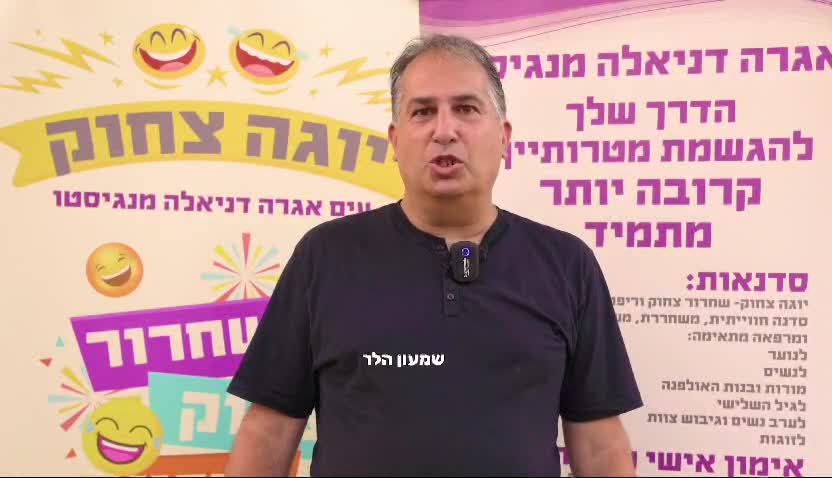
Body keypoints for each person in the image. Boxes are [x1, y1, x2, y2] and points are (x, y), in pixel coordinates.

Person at [224, 34, 643, 477]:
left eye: (466, 108)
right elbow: (269, 431)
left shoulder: (566, 264)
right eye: (423, 112)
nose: (444, 131)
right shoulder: (325, 256)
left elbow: (599, 444)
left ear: (504, 137)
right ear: (395, 139)